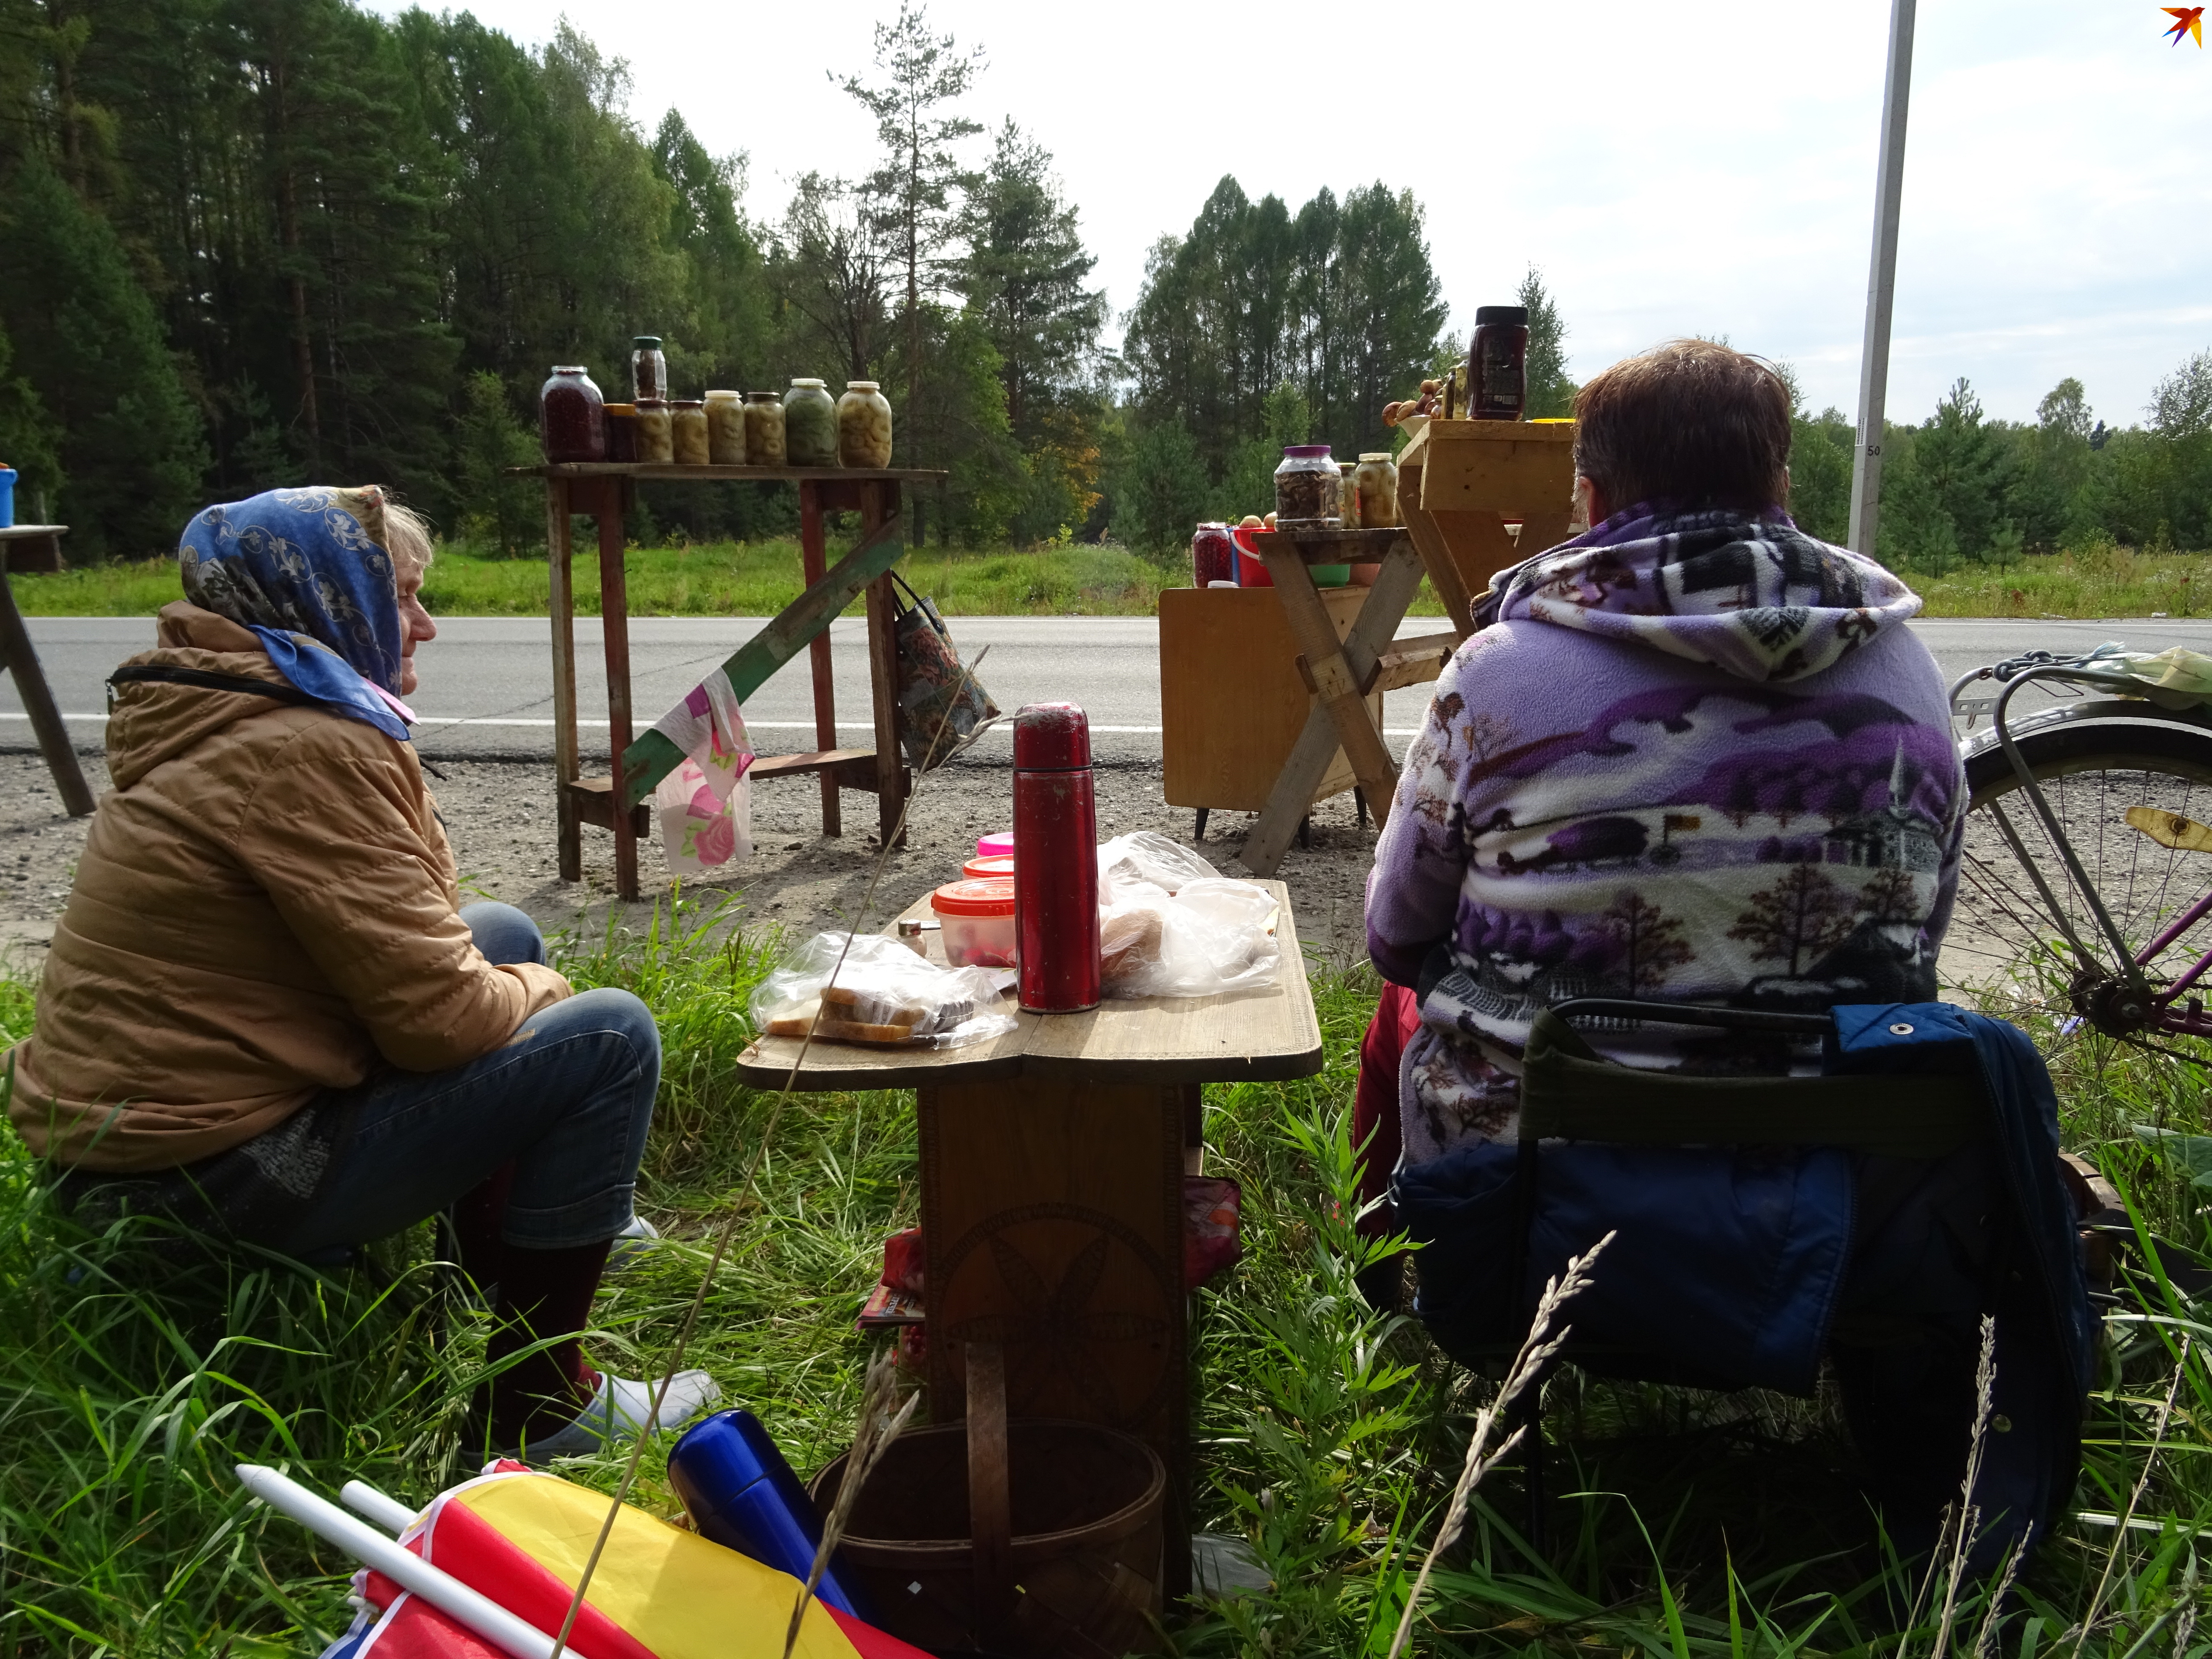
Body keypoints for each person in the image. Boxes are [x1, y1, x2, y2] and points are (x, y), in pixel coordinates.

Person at [3, 485, 716, 1457]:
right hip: (196, 1182)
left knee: (500, 931)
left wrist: (499, 981)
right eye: (404, 597)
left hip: (119, 1154)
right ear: (332, 602)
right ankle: (536, 1407)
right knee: (607, 1037)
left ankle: (489, 1273)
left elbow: (417, 946)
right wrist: (543, 999)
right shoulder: (303, 744)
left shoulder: (233, 704)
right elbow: (442, 1024)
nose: (426, 623)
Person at [1356, 340, 1967, 1251]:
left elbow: (1397, 937)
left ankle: (1382, 1266)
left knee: (1397, 1010)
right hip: (1826, 1186)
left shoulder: (1494, 674)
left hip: (1531, 1183)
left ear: (1592, 501)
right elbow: (1923, 931)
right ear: (1783, 490)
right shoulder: (1907, 666)